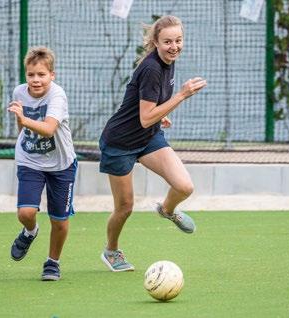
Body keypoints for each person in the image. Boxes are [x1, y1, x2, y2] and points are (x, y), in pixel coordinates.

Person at [99, 16, 207, 272]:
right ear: (156, 42)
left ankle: (167, 210)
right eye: (167, 41)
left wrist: (162, 112)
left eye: (178, 40)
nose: (174, 46)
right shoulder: (151, 68)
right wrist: (181, 95)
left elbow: (147, 108)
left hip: (148, 139)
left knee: (184, 186)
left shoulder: (168, 62)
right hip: (120, 143)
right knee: (125, 207)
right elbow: (145, 118)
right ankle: (111, 250)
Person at [8, 46, 77, 281]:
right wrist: (22, 122)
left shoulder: (57, 95)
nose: (36, 80)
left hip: (61, 164)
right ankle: (30, 231)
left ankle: (52, 263)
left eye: (41, 75)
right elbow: (22, 129)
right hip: (30, 160)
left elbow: (48, 129)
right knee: (26, 212)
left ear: (52, 75)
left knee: (59, 220)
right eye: (31, 75)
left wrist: (23, 118)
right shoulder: (19, 92)